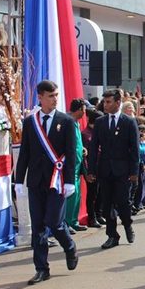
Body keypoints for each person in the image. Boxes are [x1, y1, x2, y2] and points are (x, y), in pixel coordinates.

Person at [14, 80, 79, 285]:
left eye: (56, 95)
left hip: (57, 181)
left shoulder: (66, 121)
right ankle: (41, 268)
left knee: (54, 222)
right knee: (38, 225)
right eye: (50, 96)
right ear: (40, 97)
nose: (55, 100)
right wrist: (18, 181)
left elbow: (71, 153)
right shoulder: (30, 122)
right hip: (35, 181)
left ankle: (69, 246)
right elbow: (24, 153)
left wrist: (70, 181)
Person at [87, 89, 140, 250]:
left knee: (123, 203)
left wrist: (134, 172)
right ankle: (112, 235)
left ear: (118, 103)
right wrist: (92, 170)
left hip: (123, 171)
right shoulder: (101, 122)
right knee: (107, 204)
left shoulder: (129, 122)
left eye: (109, 102)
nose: (105, 105)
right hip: (104, 170)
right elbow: (94, 147)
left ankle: (127, 224)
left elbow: (134, 149)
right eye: (104, 102)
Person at [64, 99, 89, 233]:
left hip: (78, 163)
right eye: (84, 110)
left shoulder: (76, 124)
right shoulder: (67, 122)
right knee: (71, 194)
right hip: (70, 165)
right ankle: (66, 222)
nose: (85, 112)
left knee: (77, 194)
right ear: (79, 109)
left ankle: (74, 221)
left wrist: (82, 148)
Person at [82, 108, 105, 228]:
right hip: (92, 168)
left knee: (100, 193)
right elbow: (85, 155)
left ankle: (99, 214)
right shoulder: (85, 134)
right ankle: (92, 218)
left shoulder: (98, 133)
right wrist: (87, 172)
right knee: (92, 194)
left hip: (101, 167)